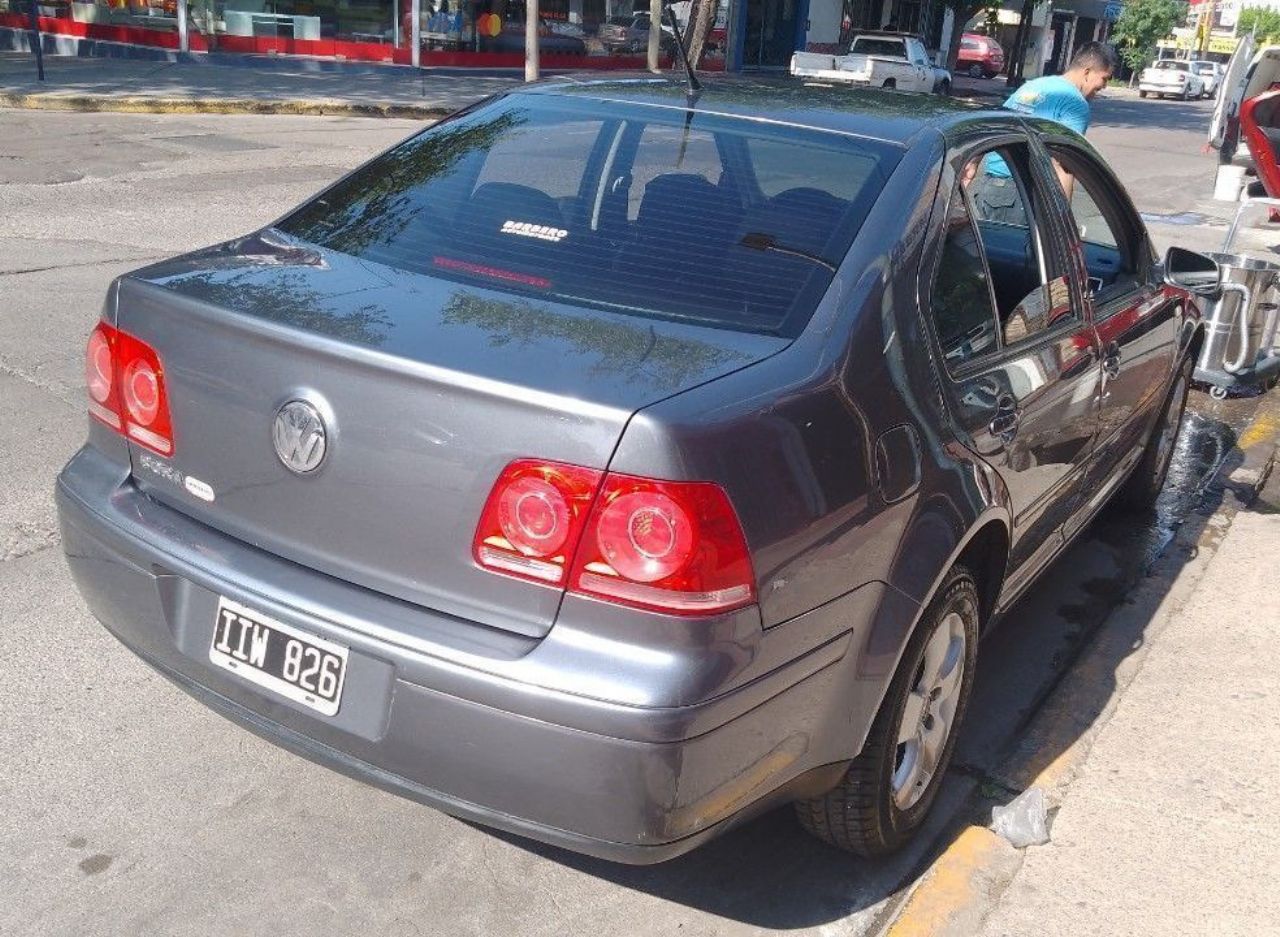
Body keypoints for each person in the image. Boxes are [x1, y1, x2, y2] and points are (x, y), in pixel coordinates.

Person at [969, 41, 1118, 221]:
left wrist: (973, 162)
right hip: (1021, 193)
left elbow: (997, 124)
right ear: (1087, 72)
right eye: (1104, 78)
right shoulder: (1075, 103)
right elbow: (1063, 165)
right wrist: (1063, 222)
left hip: (990, 189)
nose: (1104, 87)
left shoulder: (1034, 86)